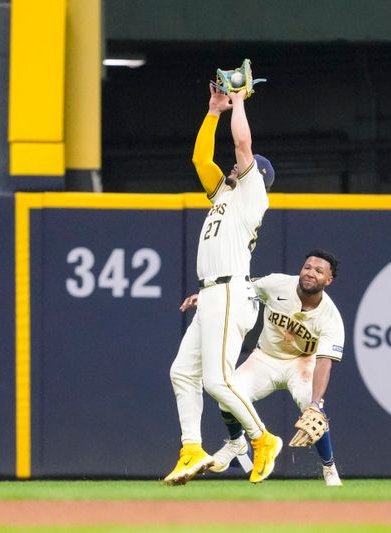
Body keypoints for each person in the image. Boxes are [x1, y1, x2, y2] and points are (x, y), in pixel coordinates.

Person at [164, 83, 281, 485]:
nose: (235, 169)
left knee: (217, 380)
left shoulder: (252, 196)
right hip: (215, 291)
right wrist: (213, 111)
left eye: (245, 168)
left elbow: (243, 145)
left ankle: (263, 439)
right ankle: (191, 448)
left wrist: (240, 104)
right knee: (182, 373)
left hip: (231, 290)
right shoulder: (224, 196)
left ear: (258, 177)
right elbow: (200, 157)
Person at [180, 249, 345, 487]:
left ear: (328, 280)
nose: (311, 273)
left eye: (319, 271)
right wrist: (205, 299)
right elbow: (236, 292)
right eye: (307, 267)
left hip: (302, 362)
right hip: (265, 357)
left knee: (312, 411)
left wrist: (316, 403)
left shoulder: (331, 318)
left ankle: (329, 468)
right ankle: (237, 445)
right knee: (226, 392)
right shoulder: (276, 284)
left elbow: (324, 361)